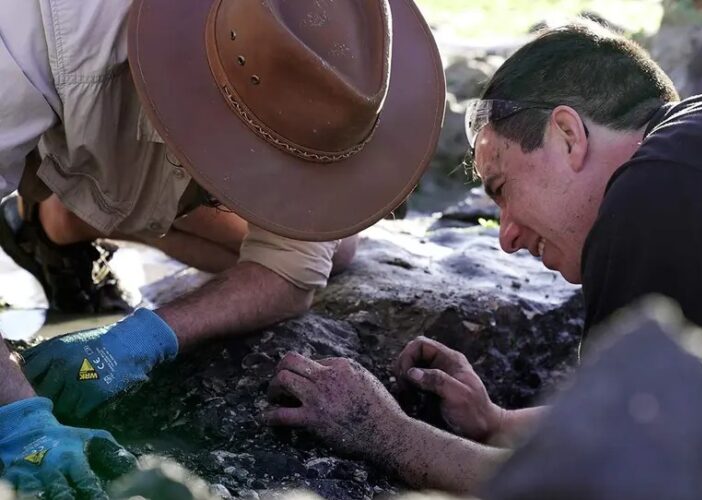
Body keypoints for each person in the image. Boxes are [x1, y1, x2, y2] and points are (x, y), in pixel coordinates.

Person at [267, 20, 702, 493]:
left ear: (568, 135)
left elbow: (599, 481)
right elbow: (669, 423)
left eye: (501, 188)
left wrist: (381, 431)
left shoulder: (654, 188)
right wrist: (496, 422)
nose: (505, 238)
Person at [0, 0, 445, 496]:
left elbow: (296, 268)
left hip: (107, 135)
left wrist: (141, 340)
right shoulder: (36, 32)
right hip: (49, 90)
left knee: (335, 249)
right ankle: (56, 202)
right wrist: (19, 418)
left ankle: (62, 218)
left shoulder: (331, 54)